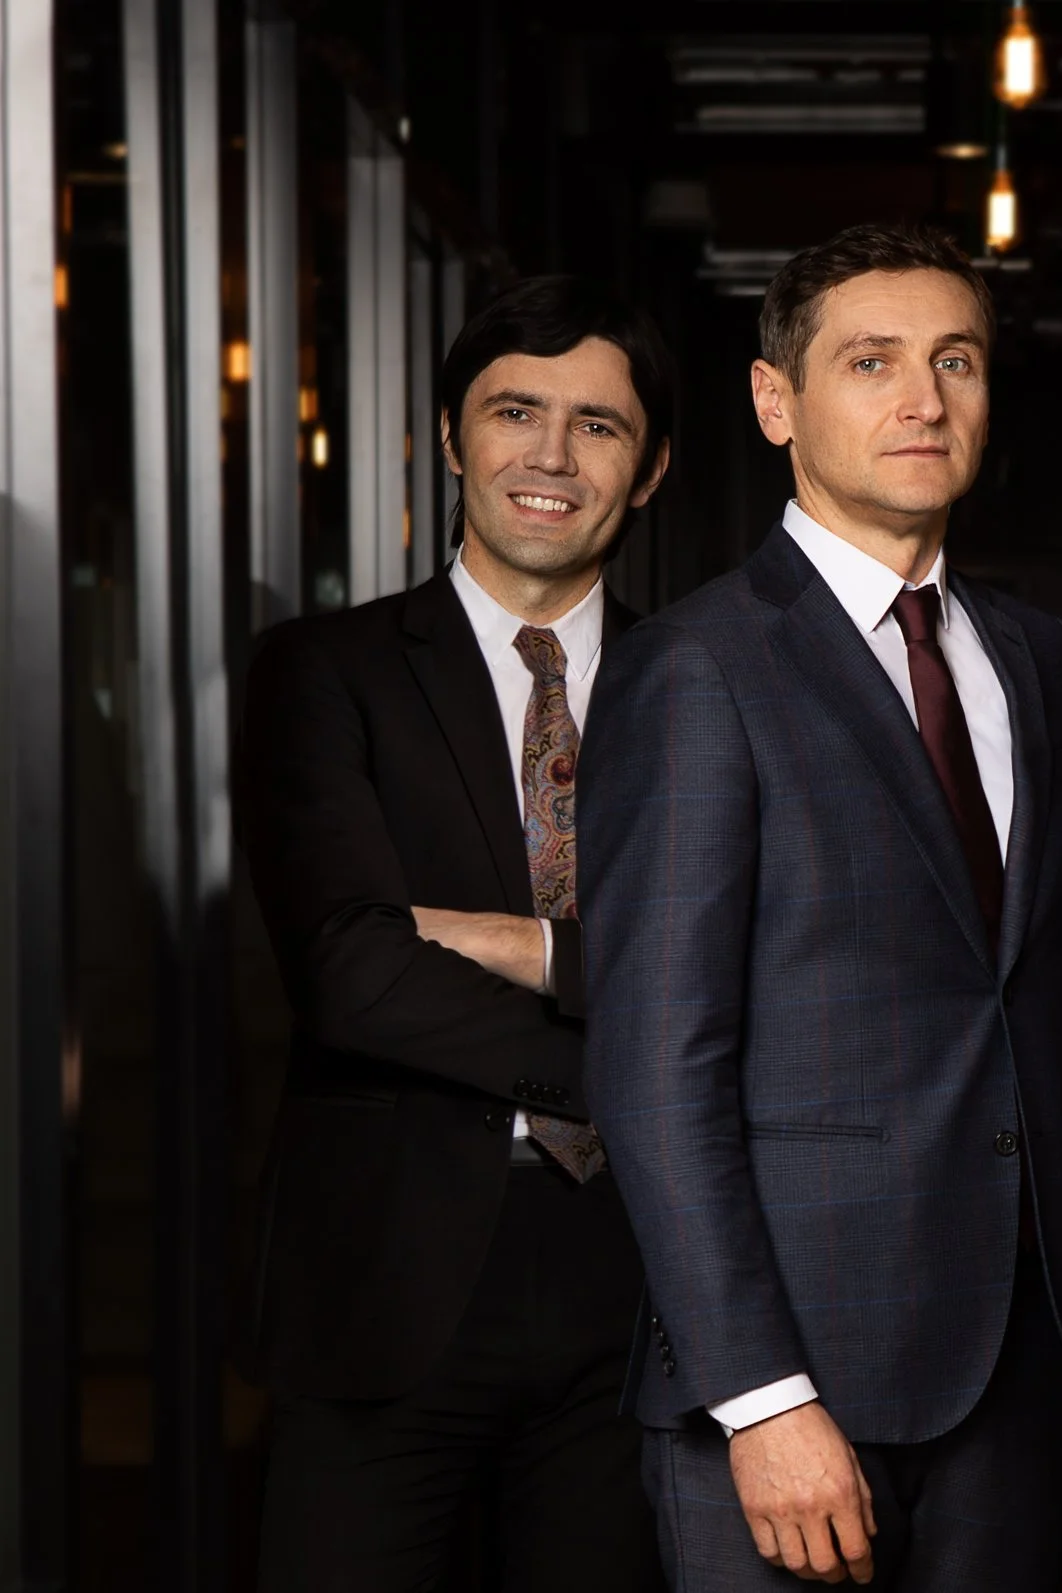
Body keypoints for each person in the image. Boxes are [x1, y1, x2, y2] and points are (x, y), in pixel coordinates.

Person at [577, 223, 1062, 1592]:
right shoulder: (696, 668)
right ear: (778, 402)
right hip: (790, 1382)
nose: (924, 399)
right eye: (872, 361)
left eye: (956, 360)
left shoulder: (1036, 657)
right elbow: (657, 1072)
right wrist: (762, 1398)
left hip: (1014, 1359)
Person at [240, 275, 671, 1591]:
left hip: (643, 1276)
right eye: (513, 412)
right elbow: (354, 976)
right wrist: (639, 1065)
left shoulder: (708, 687)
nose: (549, 456)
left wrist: (526, 946)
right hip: (388, 1280)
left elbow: (759, 974)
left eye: (597, 425)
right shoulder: (328, 673)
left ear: (649, 471)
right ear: (449, 437)